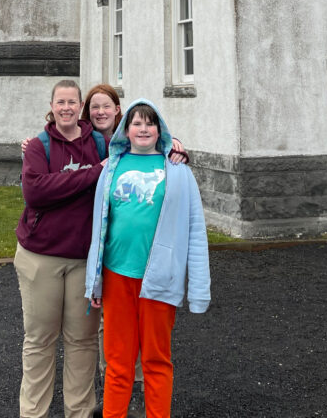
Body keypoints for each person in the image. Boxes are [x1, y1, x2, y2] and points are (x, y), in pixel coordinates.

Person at [85, 99, 210, 418]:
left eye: (150, 123)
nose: (143, 128)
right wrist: (94, 282)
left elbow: (195, 231)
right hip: (117, 277)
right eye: (136, 123)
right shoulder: (112, 168)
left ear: (160, 130)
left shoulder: (178, 171)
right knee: (118, 362)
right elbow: (99, 226)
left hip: (159, 279)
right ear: (125, 130)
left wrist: (198, 289)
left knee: (156, 360)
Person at [15, 79, 105, 418]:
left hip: (83, 260)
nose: (66, 107)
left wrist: (176, 145)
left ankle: (79, 413)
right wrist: (91, 175)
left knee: (82, 343)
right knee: (40, 340)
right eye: (60, 102)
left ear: (80, 106)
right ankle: (33, 413)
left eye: (72, 102)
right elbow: (35, 192)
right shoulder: (39, 146)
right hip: (41, 258)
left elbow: (142, 141)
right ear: (51, 106)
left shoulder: (100, 143)